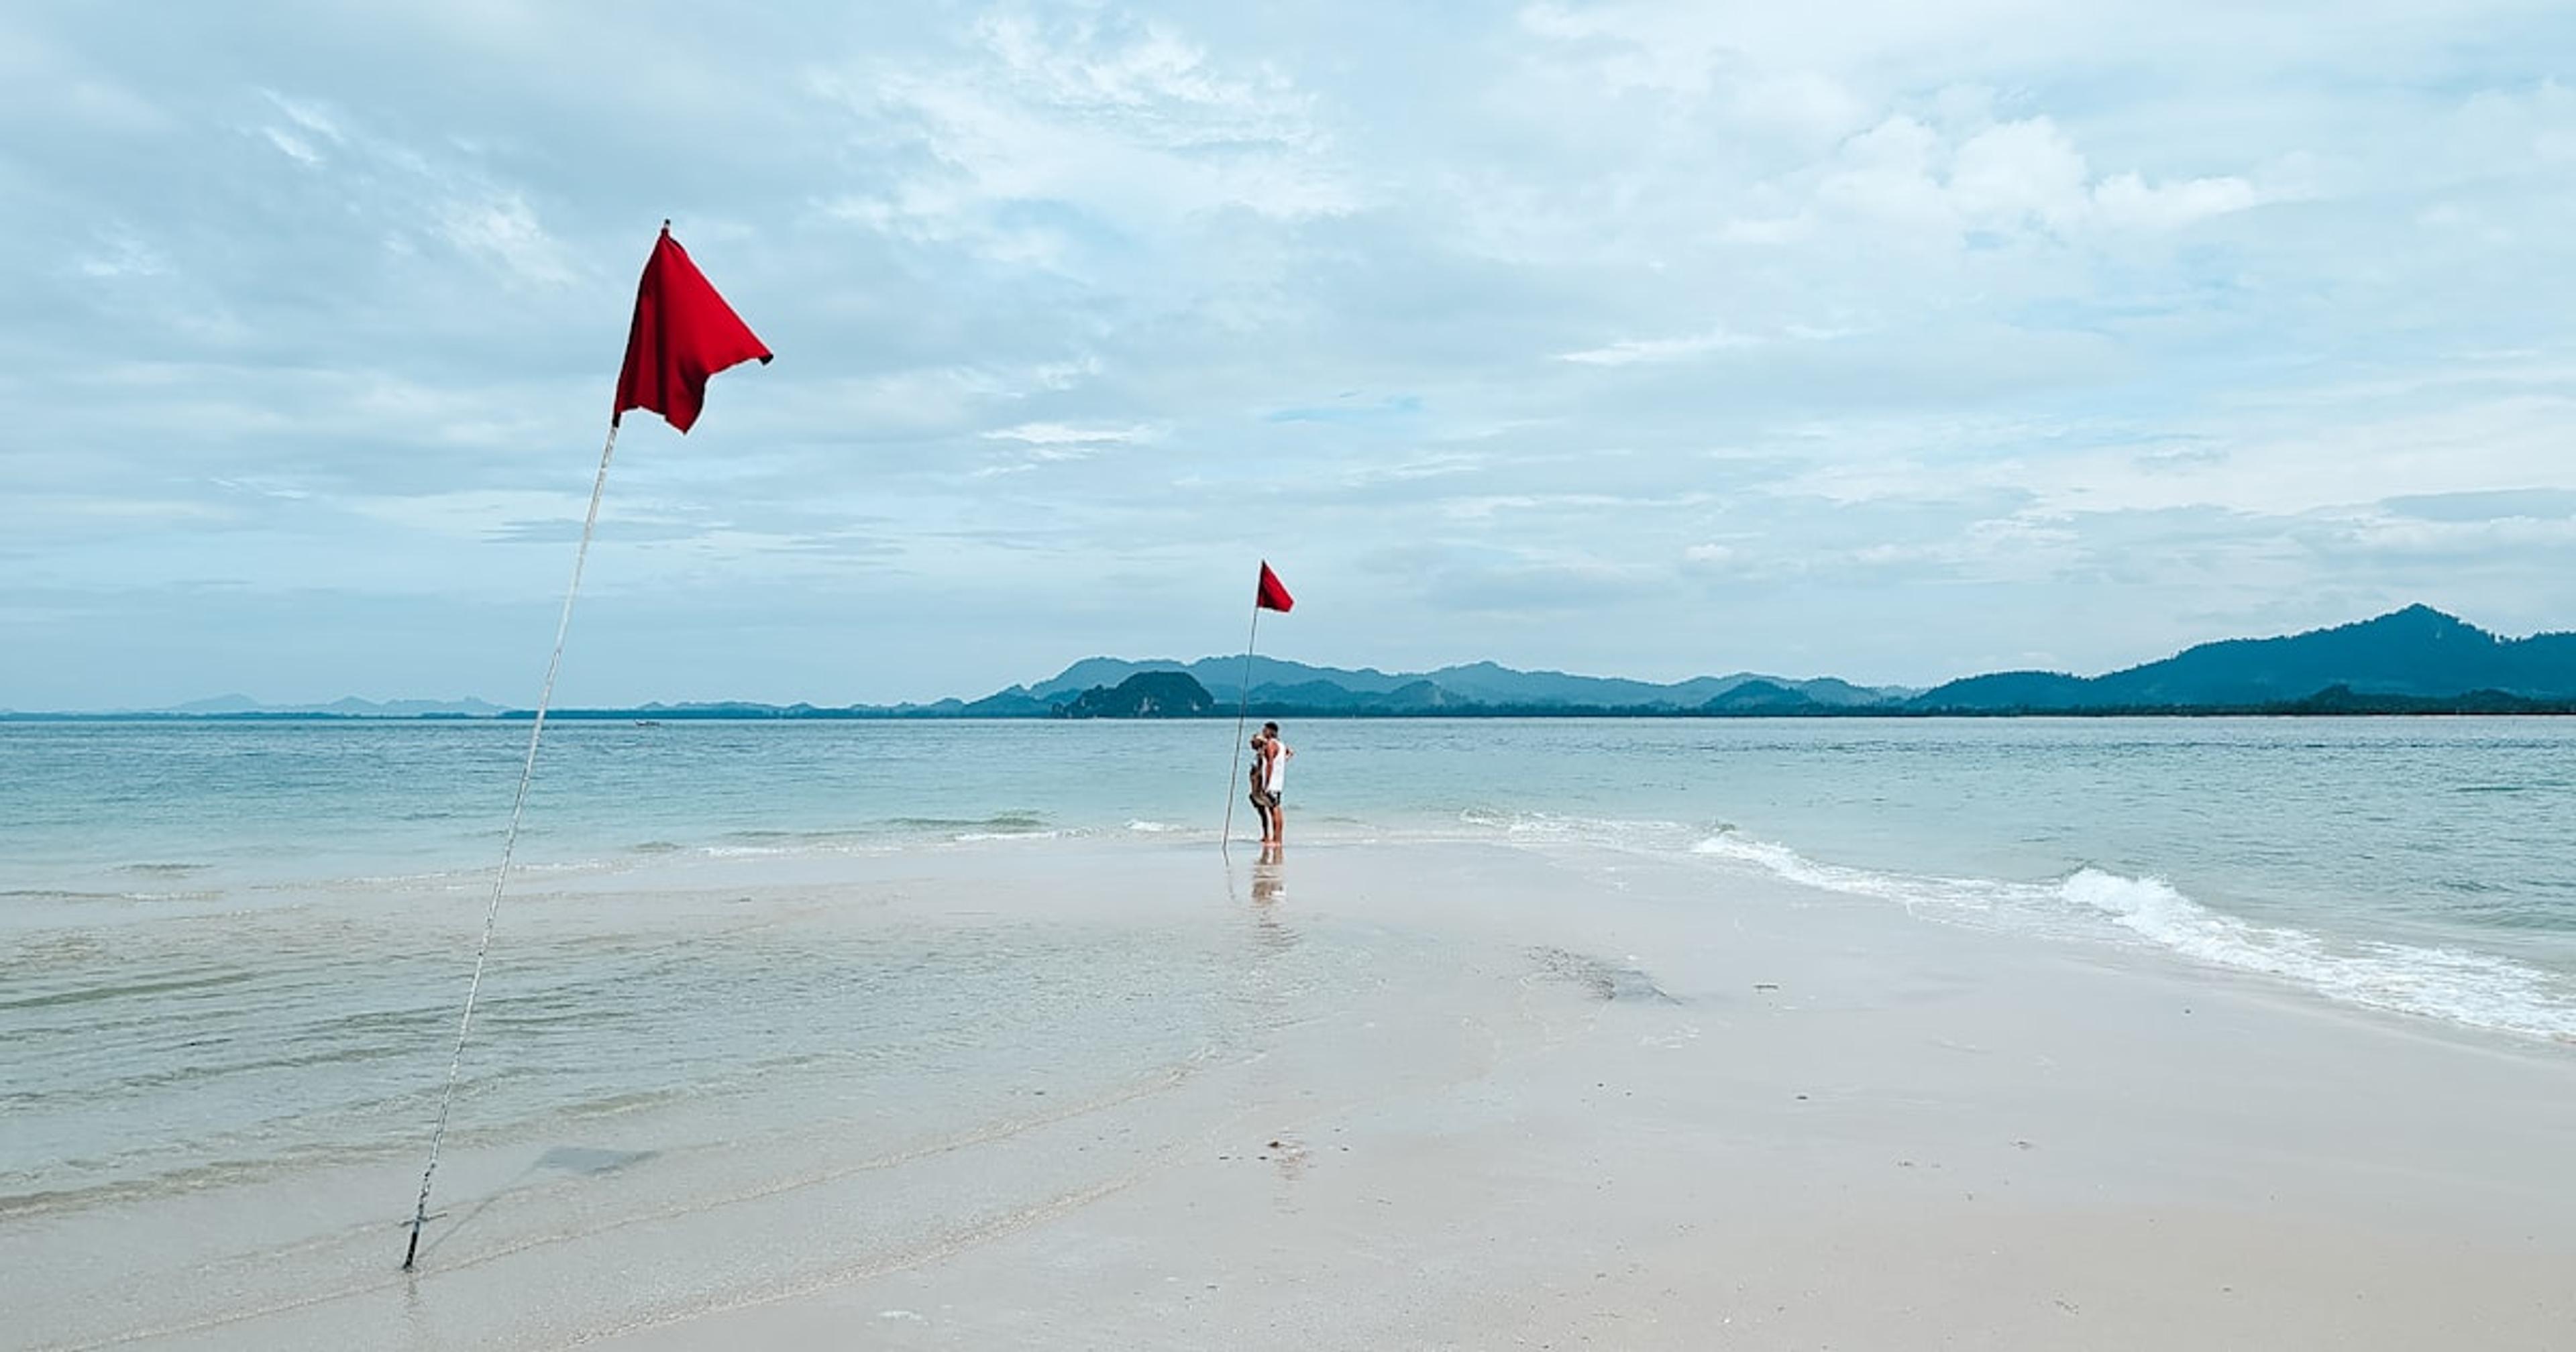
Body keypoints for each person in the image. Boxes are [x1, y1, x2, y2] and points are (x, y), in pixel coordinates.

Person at [1258, 721, 1293, 845]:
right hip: (1278, 782)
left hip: (1272, 783)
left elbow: (1270, 764)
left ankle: (1277, 839)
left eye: (1265, 730)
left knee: (1274, 810)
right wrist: (1283, 762)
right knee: (1275, 808)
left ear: (1270, 731)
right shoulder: (1281, 744)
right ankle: (1277, 838)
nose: (1263, 732)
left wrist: (1266, 783)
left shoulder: (1271, 744)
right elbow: (1291, 753)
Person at [1246, 731, 1273, 843]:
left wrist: (1261, 787)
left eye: (1253, 742)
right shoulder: (1258, 754)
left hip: (1258, 787)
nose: (1251, 743)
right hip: (1254, 788)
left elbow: (1260, 771)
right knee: (1262, 813)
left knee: (1266, 812)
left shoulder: (1261, 755)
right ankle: (1266, 834)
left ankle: (1269, 835)